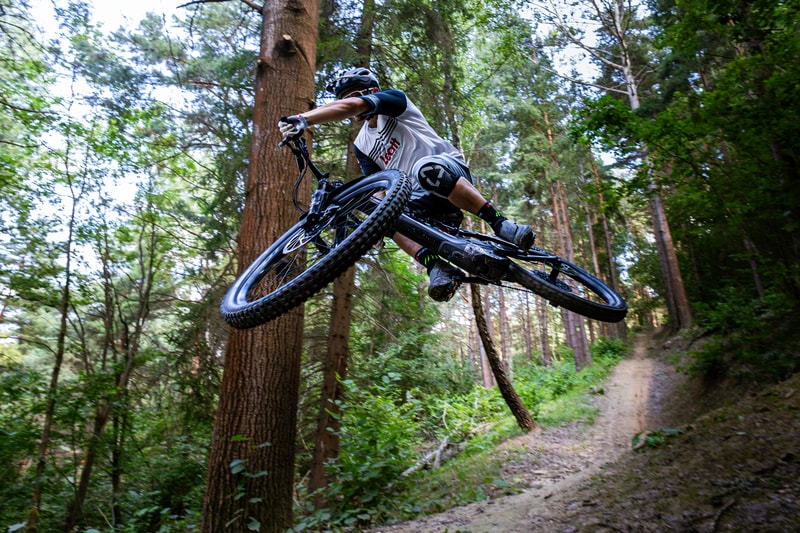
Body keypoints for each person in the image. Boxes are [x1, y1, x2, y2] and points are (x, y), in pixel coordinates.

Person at [278, 67, 534, 302]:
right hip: (418, 201)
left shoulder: (395, 101)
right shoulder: (361, 144)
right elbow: (378, 186)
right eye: (343, 98)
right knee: (381, 207)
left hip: (447, 173)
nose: (349, 102)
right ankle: (437, 266)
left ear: (372, 92)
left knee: (424, 170)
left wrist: (304, 119)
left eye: (353, 95)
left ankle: (500, 223)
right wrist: (374, 226)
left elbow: (355, 105)